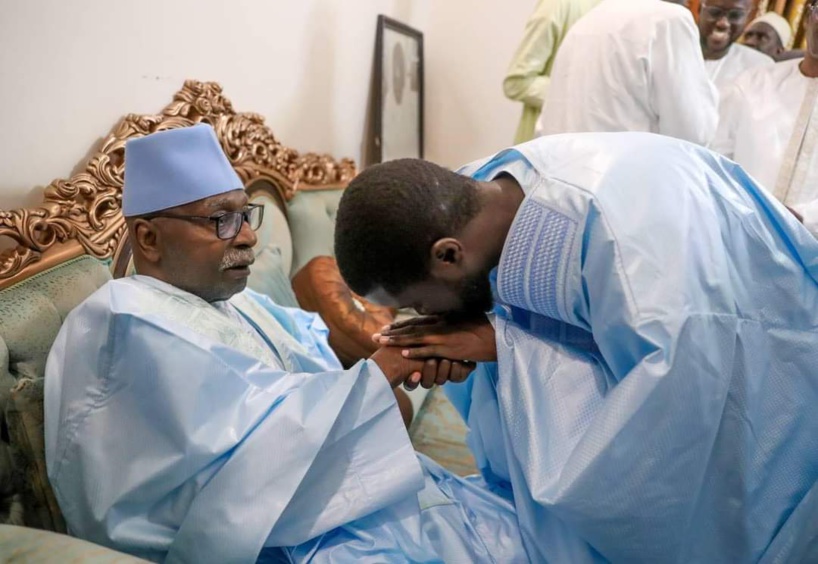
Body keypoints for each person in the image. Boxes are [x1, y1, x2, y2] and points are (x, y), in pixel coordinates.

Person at [43, 124, 526, 563]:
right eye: (222, 220)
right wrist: (382, 373)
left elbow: (308, 343)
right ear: (148, 238)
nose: (250, 236)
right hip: (276, 539)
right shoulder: (123, 320)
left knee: (524, 528)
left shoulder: (233, 301)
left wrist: (407, 343)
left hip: (332, 504)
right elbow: (234, 468)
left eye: (246, 214)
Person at [334, 132, 818, 562]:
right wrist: (479, 345)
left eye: (417, 302)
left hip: (762, 374)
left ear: (448, 254)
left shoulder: (630, 248)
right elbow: (570, 321)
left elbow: (673, 423)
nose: (422, 318)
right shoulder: (475, 194)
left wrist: (503, 345)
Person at [537, 0, 718, 146]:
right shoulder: (670, 19)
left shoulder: (588, 19)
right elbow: (694, 132)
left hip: (563, 177)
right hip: (624, 180)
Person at [711, 0, 818, 235]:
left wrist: (803, 218)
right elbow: (715, 161)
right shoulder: (751, 84)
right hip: (736, 235)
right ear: (810, 16)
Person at [502, 0, 602, 143]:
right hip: (544, 151)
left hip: (589, 149)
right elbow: (517, 83)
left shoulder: (625, 10)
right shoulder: (557, 5)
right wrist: (583, 96)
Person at [699, 0, 774, 91]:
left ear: (748, 18)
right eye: (715, 12)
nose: (723, 23)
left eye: (735, 15)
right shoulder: (677, 50)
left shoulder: (760, 67)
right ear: (700, 9)